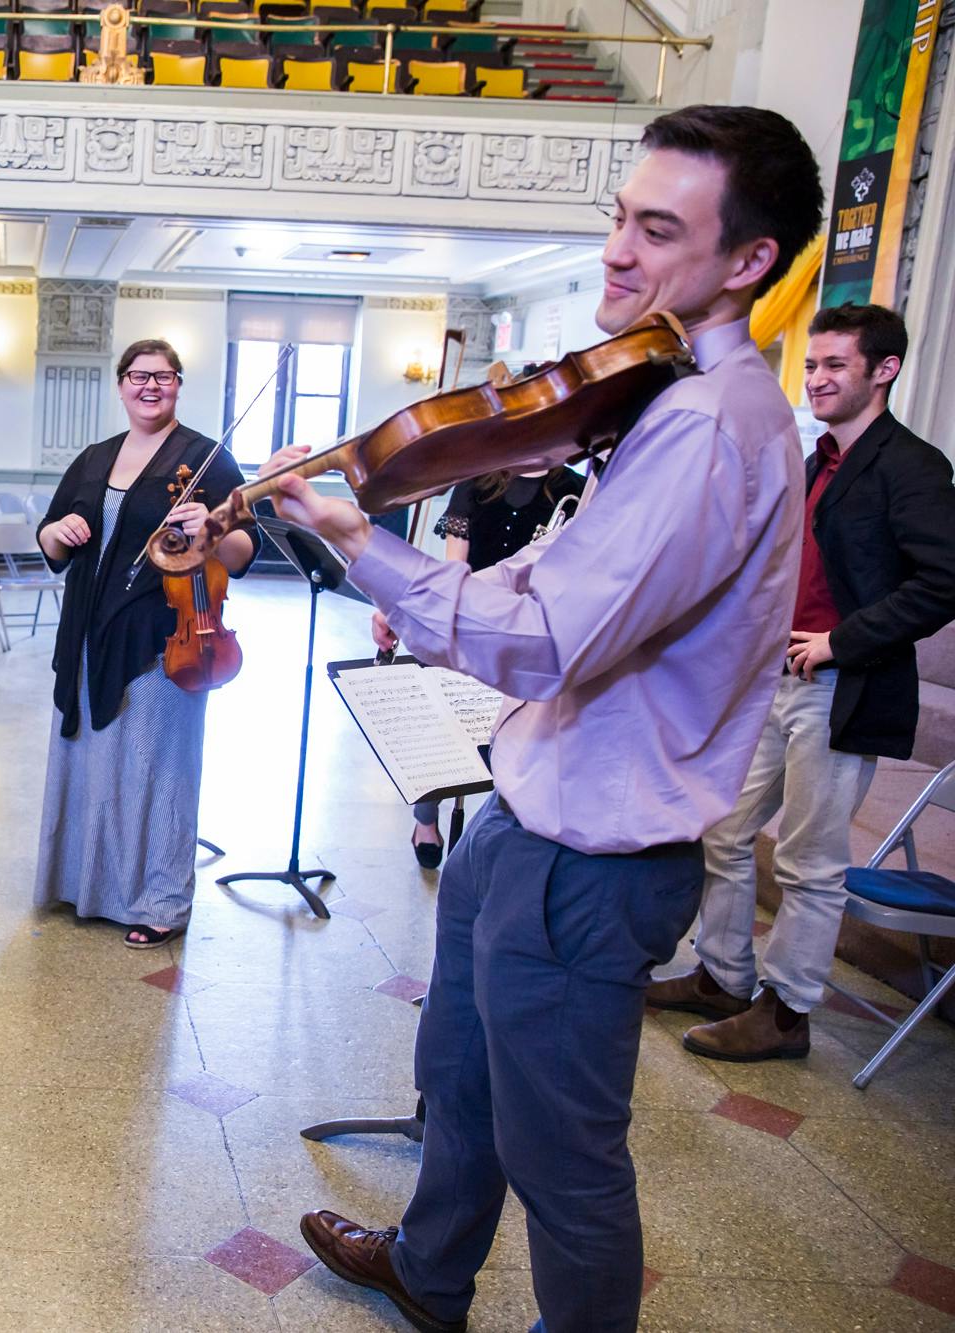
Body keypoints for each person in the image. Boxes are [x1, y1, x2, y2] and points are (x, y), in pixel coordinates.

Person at [271, 106, 825, 1333]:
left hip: (593, 853)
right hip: (525, 815)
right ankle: (428, 1265)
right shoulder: (658, 393)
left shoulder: (707, 424)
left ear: (748, 262)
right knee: (457, 1082)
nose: (617, 252)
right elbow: (550, 582)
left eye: (656, 228)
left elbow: (551, 637)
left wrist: (364, 545)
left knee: (566, 1163)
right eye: (617, 219)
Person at [651, 300, 955, 1061]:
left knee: (808, 862)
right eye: (811, 365)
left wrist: (840, 642)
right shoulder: (816, 459)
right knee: (722, 828)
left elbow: (944, 580)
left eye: (834, 366)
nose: (816, 378)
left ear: (884, 370)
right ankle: (722, 975)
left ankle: (786, 1012)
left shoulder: (913, 465)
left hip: (843, 688)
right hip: (774, 680)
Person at [32, 339, 257, 949]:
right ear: (121, 384)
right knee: (92, 759)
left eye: (162, 376)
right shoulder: (94, 457)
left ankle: (159, 901)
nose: (149, 386)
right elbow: (50, 544)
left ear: (179, 384)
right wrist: (56, 531)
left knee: (157, 771)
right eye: (137, 376)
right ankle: (86, 887)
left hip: (164, 636)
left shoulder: (208, 458)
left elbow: (243, 553)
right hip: (86, 630)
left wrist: (210, 531)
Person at [402, 464, 586, 867]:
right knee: (442, 724)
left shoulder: (574, 487)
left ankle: (493, 827)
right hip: (474, 613)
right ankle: (426, 817)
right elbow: (456, 566)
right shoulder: (475, 480)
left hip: (529, 628)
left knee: (503, 731)